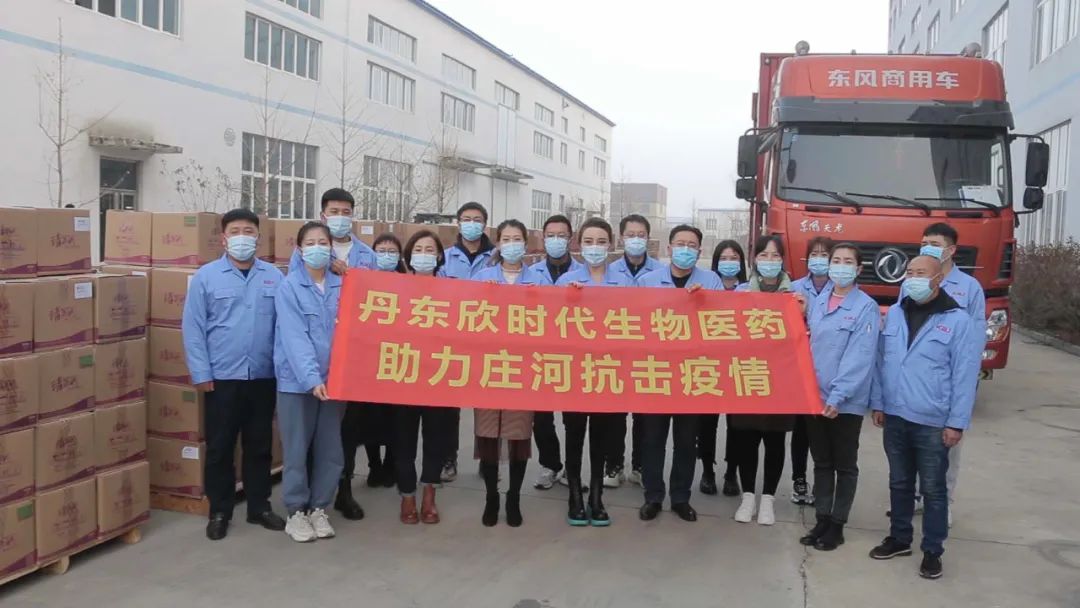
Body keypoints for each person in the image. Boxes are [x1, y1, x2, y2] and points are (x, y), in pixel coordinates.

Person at [869, 255, 979, 580]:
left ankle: (932, 550)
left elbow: (964, 375)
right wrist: (879, 403)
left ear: (938, 279)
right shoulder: (895, 314)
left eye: (921, 273)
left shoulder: (958, 321)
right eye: (910, 273)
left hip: (932, 420)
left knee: (933, 489)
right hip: (895, 414)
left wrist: (956, 422)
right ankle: (900, 538)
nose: (913, 278)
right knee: (899, 482)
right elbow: (882, 362)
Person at [182, 209, 286, 541]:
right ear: (224, 238)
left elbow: (285, 327)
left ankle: (259, 506)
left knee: (260, 445)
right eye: (236, 231)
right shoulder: (206, 277)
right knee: (220, 447)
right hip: (222, 377)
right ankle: (220, 511)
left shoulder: (274, 277)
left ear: (258, 237)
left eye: (249, 231)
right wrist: (201, 372)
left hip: (263, 375)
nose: (243, 237)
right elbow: (193, 329)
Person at [636, 224, 721, 523]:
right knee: (652, 440)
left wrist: (703, 302)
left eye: (692, 245)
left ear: (699, 251)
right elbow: (634, 324)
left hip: (692, 374)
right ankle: (653, 496)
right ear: (669, 248)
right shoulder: (646, 282)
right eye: (680, 244)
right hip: (656, 372)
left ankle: (681, 497)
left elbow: (721, 323)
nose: (685, 249)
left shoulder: (711, 282)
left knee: (686, 441)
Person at [554, 217, 633, 526]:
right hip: (575, 371)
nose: (595, 247)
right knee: (574, 434)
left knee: (602, 436)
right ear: (579, 245)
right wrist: (568, 299)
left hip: (608, 370)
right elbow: (551, 323)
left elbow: (638, 322)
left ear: (611, 245)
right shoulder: (566, 281)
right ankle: (574, 494)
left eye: (601, 242)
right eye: (588, 242)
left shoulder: (625, 282)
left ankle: (596, 496)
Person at [800, 243, 879, 551]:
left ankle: (837, 524)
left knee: (845, 464)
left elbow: (860, 356)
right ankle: (822, 517)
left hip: (844, 402)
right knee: (821, 461)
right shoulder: (819, 301)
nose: (840, 266)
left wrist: (838, 396)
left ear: (858, 269)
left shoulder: (865, 307)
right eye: (836, 260)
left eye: (848, 262)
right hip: (815, 397)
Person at [274, 221, 346, 543]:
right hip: (297, 383)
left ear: (331, 248)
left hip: (335, 382)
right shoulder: (289, 287)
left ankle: (319, 507)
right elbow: (294, 337)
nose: (317, 247)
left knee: (331, 449)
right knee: (296, 448)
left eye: (323, 242)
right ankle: (296, 511)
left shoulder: (342, 285)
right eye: (310, 242)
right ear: (300, 249)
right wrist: (311, 378)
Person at [471, 219, 544, 527]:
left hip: (524, 369)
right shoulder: (482, 277)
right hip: (489, 367)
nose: (512, 244)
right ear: (498, 243)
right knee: (488, 433)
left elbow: (556, 318)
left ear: (525, 244)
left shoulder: (539, 279)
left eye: (517, 239)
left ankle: (513, 496)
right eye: (506, 239)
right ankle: (491, 496)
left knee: (518, 435)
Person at [920, 222, 986, 524]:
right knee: (915, 443)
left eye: (934, 244)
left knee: (946, 447)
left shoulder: (969, 288)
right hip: (918, 379)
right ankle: (918, 496)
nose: (927, 248)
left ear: (951, 250)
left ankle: (943, 502)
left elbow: (975, 340)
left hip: (949, 380)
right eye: (924, 243)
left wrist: (967, 381)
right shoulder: (916, 280)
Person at [334, 234, 403, 521]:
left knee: (394, 419)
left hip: (396, 362)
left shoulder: (406, 283)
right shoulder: (357, 281)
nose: (386, 255)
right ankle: (348, 485)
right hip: (360, 366)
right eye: (381, 250)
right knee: (356, 426)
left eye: (392, 250)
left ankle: (389, 467)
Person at [731, 235, 798, 526]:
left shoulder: (795, 295)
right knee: (746, 439)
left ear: (783, 260)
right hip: (748, 374)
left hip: (781, 378)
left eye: (775, 256)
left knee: (775, 440)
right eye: (763, 255)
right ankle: (748, 497)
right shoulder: (740, 292)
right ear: (754, 259)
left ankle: (768, 498)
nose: (769, 261)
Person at [393, 229, 455, 525]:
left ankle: (429, 493)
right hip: (403, 376)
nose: (424, 254)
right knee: (403, 441)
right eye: (418, 249)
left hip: (438, 377)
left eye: (430, 249)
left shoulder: (453, 290)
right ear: (409, 255)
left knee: (436, 440)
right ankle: (407, 495)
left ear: (439, 256)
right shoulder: (394, 289)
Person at [437, 202, 495, 483]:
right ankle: (448, 458)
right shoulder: (445, 258)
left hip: (488, 339)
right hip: (453, 340)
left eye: (477, 219)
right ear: (458, 223)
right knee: (449, 406)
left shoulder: (497, 257)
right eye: (466, 219)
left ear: (484, 224)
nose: (472, 223)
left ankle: (487, 460)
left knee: (487, 405)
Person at [607, 214, 662, 488]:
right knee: (614, 415)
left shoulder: (660, 272)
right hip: (615, 353)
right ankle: (613, 466)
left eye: (641, 235)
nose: (636, 240)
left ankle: (640, 466)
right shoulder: (608, 271)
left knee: (644, 416)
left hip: (647, 355)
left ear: (648, 238)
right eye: (631, 235)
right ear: (621, 238)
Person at [529, 214, 583, 490]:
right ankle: (550, 464)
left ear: (571, 239)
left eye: (561, 235)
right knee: (541, 417)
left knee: (574, 418)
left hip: (575, 356)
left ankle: (573, 471)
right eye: (551, 235)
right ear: (543, 237)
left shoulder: (584, 274)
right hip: (539, 354)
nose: (556, 240)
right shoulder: (531, 273)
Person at [697, 239, 748, 497]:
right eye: (724, 258)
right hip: (710, 365)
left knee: (737, 425)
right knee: (706, 423)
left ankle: (731, 473)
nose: (729, 263)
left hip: (739, 366)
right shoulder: (706, 287)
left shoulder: (750, 290)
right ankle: (707, 470)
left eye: (734, 258)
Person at [787, 237, 833, 506]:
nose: (819, 259)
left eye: (825, 254)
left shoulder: (840, 290)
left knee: (824, 432)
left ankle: (822, 482)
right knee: (801, 431)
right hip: (799, 370)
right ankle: (799, 479)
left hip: (826, 369)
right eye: (814, 254)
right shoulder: (794, 287)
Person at [288, 188, 377, 272]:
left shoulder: (368, 254)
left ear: (351, 216)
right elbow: (294, 280)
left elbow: (375, 282)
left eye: (346, 212)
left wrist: (349, 274)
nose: (340, 216)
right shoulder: (307, 250)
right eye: (334, 212)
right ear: (323, 217)